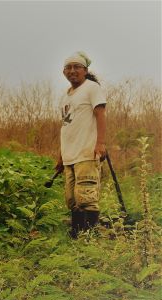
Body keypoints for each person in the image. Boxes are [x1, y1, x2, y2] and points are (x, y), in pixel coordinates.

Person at [55, 51, 107, 238]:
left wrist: (100, 143)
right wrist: (61, 156)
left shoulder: (91, 88)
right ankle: (77, 235)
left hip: (87, 152)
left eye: (77, 67)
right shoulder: (66, 95)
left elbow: (100, 114)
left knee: (86, 198)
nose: (72, 71)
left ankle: (90, 237)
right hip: (70, 156)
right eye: (68, 68)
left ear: (85, 70)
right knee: (72, 199)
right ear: (63, 72)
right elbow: (66, 127)